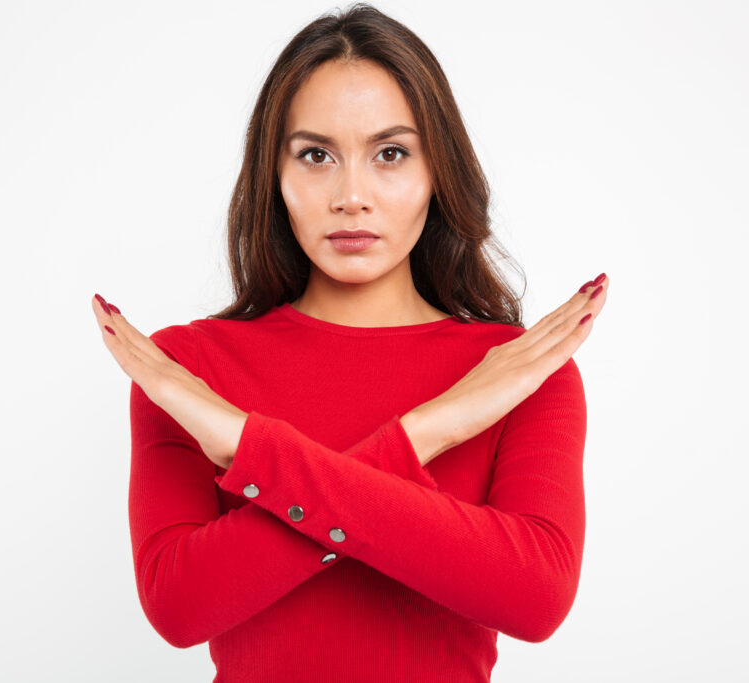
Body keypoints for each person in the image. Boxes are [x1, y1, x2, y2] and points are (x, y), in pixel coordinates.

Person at [92, 4, 609, 681]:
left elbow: (536, 600)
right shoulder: (186, 370)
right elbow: (181, 607)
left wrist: (252, 450)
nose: (352, 195)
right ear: (273, 175)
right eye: (316, 155)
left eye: (390, 153)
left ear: (436, 171)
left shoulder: (518, 371)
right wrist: (429, 432)